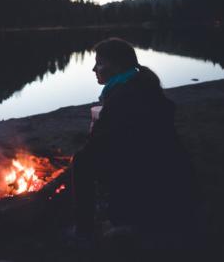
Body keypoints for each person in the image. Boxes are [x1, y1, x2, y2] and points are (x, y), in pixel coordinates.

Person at [71, 38, 203, 253]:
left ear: (117, 65)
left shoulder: (124, 96)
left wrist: (95, 133)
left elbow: (98, 146)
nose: (94, 69)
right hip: (170, 167)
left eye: (100, 63)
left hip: (149, 171)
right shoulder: (141, 83)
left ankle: (83, 230)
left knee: (82, 161)